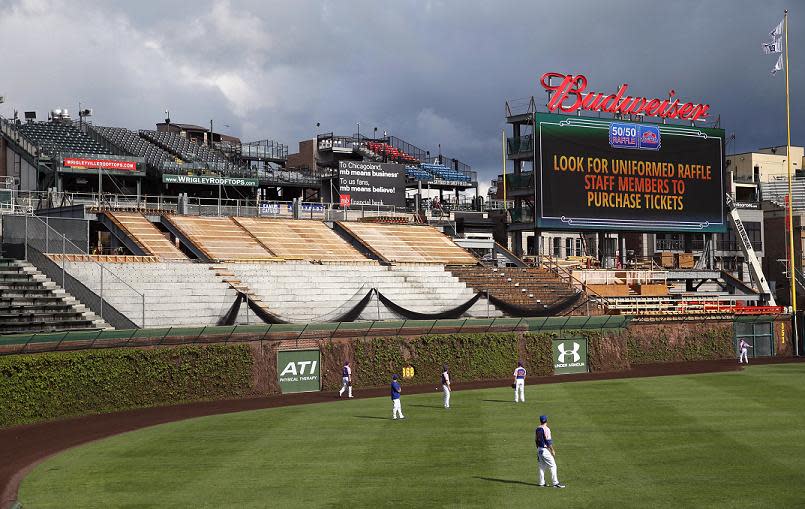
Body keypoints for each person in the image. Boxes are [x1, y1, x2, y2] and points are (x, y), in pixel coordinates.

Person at [536, 415, 565, 488]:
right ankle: (555, 483)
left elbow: (536, 440)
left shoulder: (537, 428)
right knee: (553, 465)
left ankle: (541, 482)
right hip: (544, 450)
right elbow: (548, 442)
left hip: (539, 449)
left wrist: (538, 449)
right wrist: (552, 450)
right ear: (546, 420)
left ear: (540, 421)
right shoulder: (546, 429)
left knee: (542, 467)